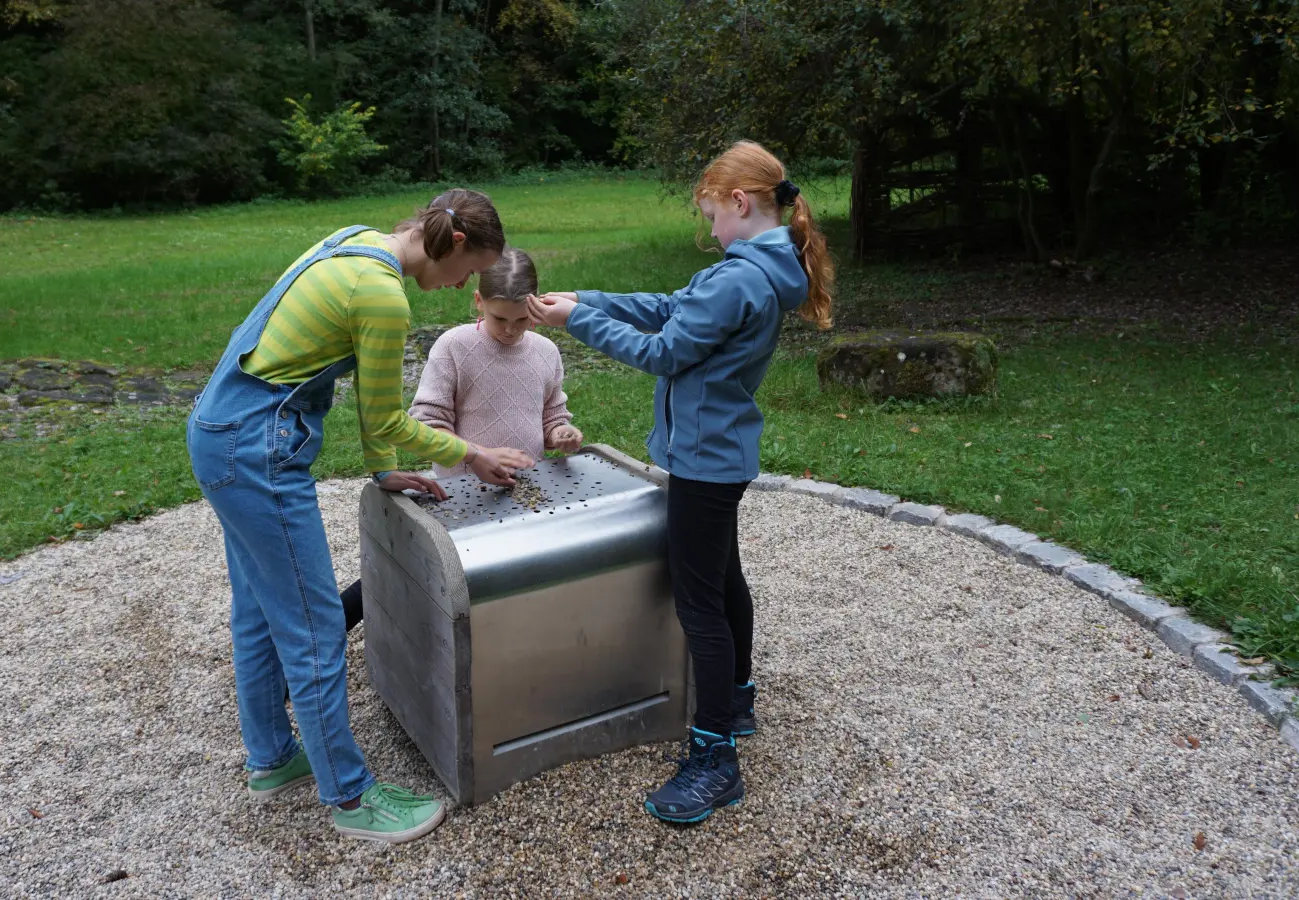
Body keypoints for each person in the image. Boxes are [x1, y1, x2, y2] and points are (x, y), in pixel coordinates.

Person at [186, 189, 533, 844]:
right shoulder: (384, 296)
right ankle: (350, 795)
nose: (456, 286)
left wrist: (381, 469)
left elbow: (372, 417)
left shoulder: (357, 241)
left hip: (219, 433)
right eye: (466, 272)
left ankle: (271, 758)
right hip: (260, 453)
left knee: (259, 610)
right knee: (316, 626)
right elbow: (389, 418)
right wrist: (473, 452)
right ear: (454, 245)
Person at [525, 141, 834, 823]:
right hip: (721, 453)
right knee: (725, 582)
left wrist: (579, 321)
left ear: (739, 203)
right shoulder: (760, 268)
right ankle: (740, 701)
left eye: (710, 216)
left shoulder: (738, 279)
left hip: (702, 461)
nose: (710, 231)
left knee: (698, 603)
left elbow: (664, 351)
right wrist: (591, 297)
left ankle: (714, 757)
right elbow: (672, 307)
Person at [336, 247, 582, 629]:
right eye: (499, 317)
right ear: (478, 301)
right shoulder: (454, 346)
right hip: (460, 492)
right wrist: (476, 455)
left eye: (522, 320)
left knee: (511, 578)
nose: (510, 330)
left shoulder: (546, 351)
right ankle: (326, 631)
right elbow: (426, 421)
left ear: (536, 307)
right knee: (416, 568)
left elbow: (552, 414)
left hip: (526, 492)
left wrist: (561, 432)